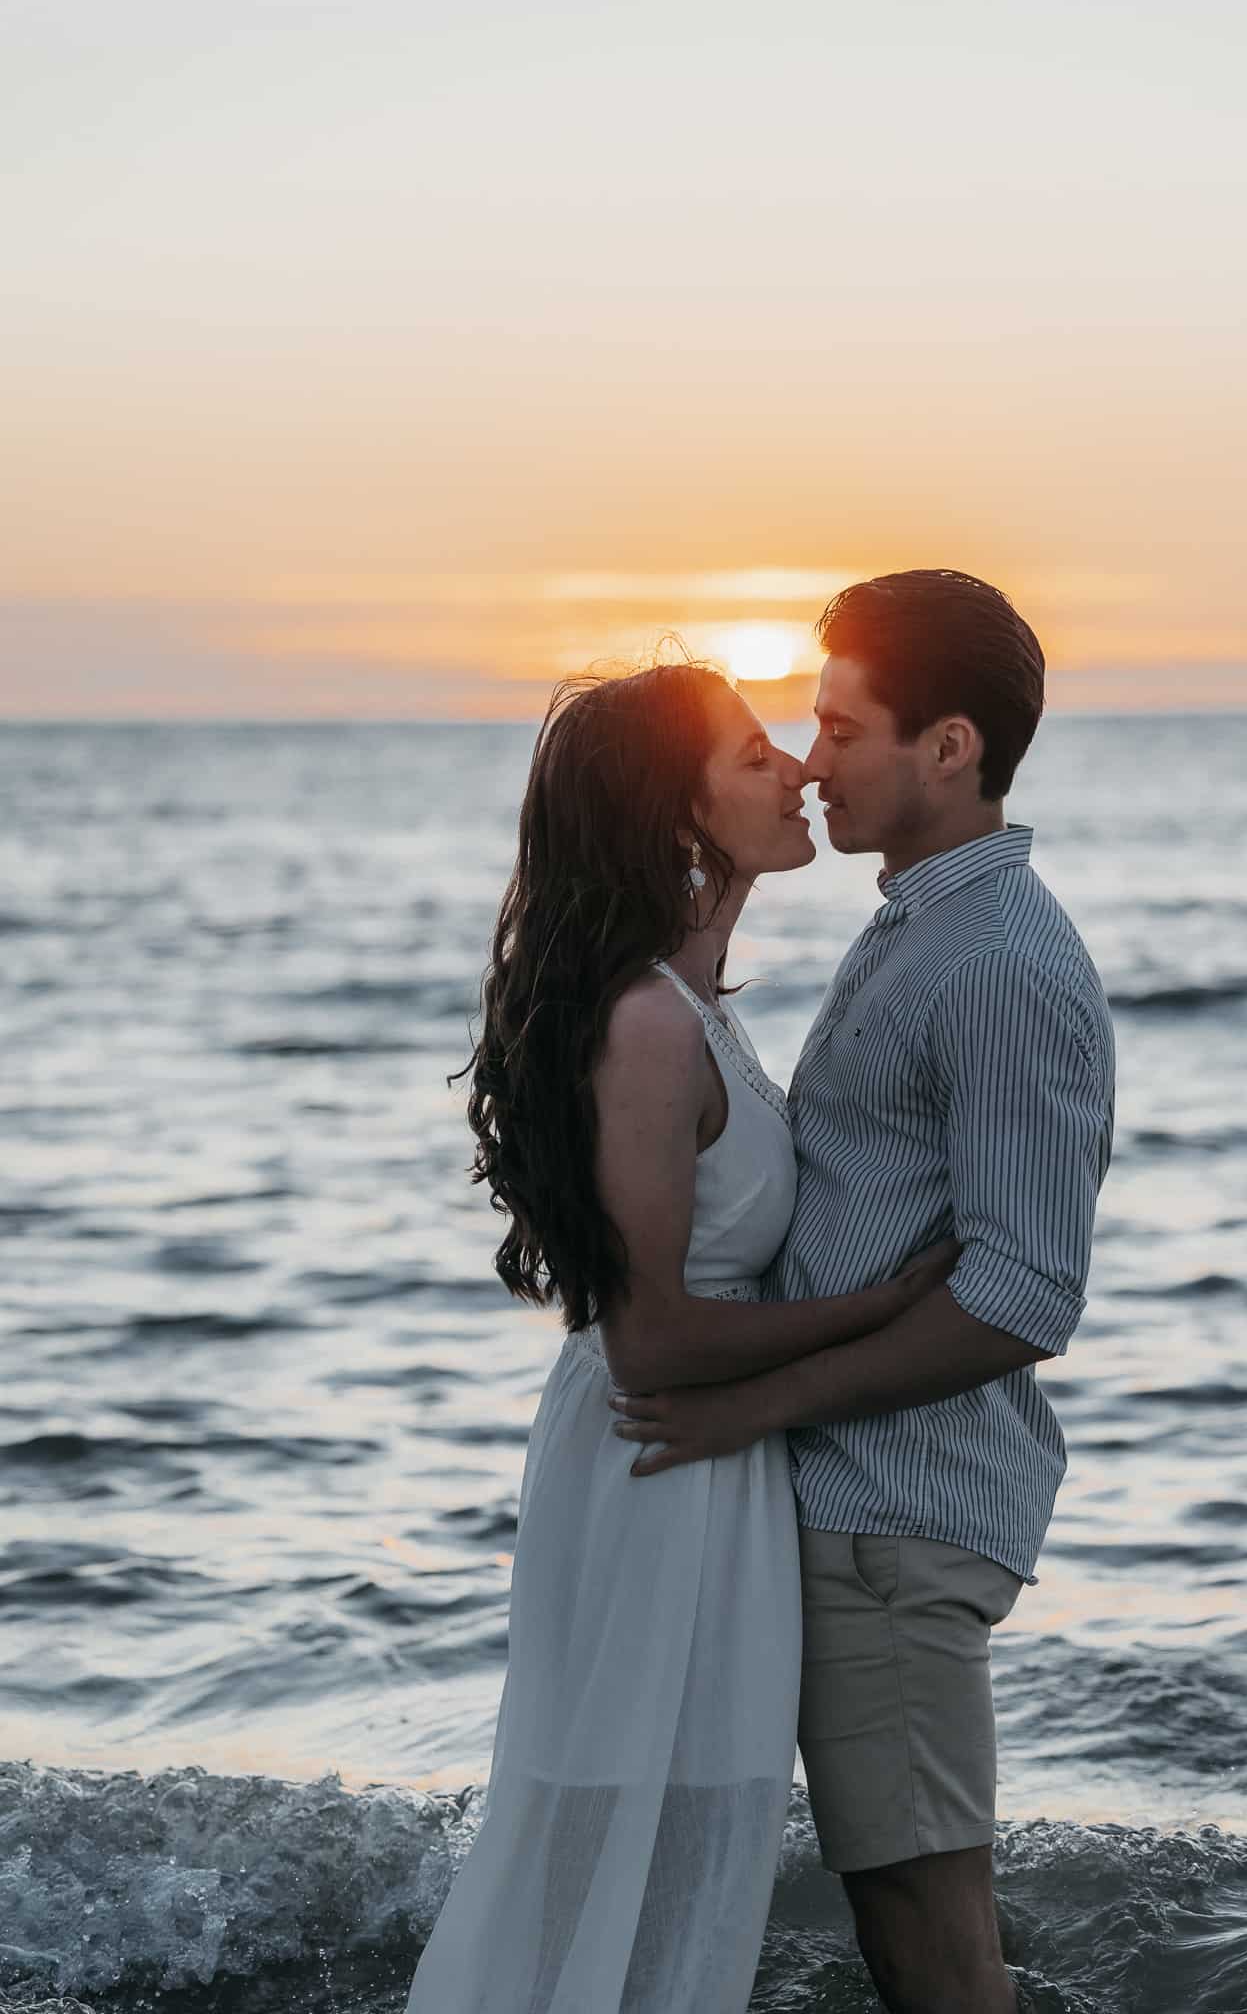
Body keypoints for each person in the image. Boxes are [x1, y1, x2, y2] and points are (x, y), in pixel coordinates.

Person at [405, 658, 954, 2013]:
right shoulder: (648, 1024)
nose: (795, 770)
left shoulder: (684, 998)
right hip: (658, 1463)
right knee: (629, 1822)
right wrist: (888, 1307)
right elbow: (649, 1338)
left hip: (700, 1473)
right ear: (675, 808)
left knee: (688, 1824)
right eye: (750, 755)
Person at [610, 570, 1117, 2014]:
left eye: (841, 729)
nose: (811, 760)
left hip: (895, 1515)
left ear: (948, 748)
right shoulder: (917, 926)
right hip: (843, 1500)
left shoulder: (1002, 963)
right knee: (894, 1910)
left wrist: (757, 1400)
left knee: (926, 1932)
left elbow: (1023, 1296)